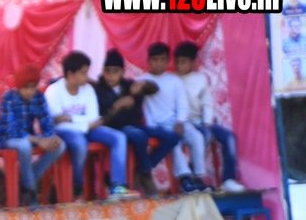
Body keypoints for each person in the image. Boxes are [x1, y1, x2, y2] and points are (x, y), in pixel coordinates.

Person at [45, 51, 139, 201]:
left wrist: (71, 119)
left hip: (88, 129)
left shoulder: (88, 89)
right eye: (83, 73)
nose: (87, 76)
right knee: (79, 142)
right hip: (66, 132)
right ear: (70, 74)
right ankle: (77, 183)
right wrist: (85, 126)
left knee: (119, 137)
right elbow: (57, 124)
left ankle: (118, 187)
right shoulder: (54, 91)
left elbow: (94, 118)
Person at [94, 48, 165, 197]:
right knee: (138, 136)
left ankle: (142, 168)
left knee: (171, 135)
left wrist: (144, 83)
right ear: (103, 72)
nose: (111, 75)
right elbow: (101, 122)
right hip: (116, 129)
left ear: (122, 72)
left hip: (136, 126)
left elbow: (155, 89)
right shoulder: (98, 90)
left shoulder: (129, 86)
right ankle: (145, 173)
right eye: (108, 71)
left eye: (115, 71)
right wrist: (116, 107)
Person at [0, 64, 65, 206]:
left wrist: (52, 137)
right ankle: (31, 192)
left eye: (33, 87)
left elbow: (47, 122)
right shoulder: (8, 97)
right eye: (26, 87)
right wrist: (38, 140)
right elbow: (12, 129)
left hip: (28, 137)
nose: (30, 91)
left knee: (60, 146)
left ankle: (25, 184)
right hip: (6, 137)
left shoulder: (39, 97)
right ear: (19, 86)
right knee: (25, 146)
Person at [175, 41, 244, 192]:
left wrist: (207, 122)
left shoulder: (200, 79)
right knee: (204, 135)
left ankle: (228, 180)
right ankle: (193, 177)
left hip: (200, 121)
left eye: (183, 62)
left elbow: (207, 104)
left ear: (193, 62)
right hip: (185, 124)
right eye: (177, 62)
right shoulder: (174, 80)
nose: (179, 65)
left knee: (229, 137)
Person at [137, 42, 206, 192]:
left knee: (197, 136)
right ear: (148, 61)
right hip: (158, 125)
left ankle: (198, 177)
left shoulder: (174, 80)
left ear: (168, 61)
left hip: (176, 121)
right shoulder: (142, 81)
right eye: (155, 59)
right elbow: (144, 110)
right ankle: (184, 179)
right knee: (173, 139)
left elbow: (182, 105)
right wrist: (153, 128)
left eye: (163, 59)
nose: (159, 63)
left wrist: (180, 122)